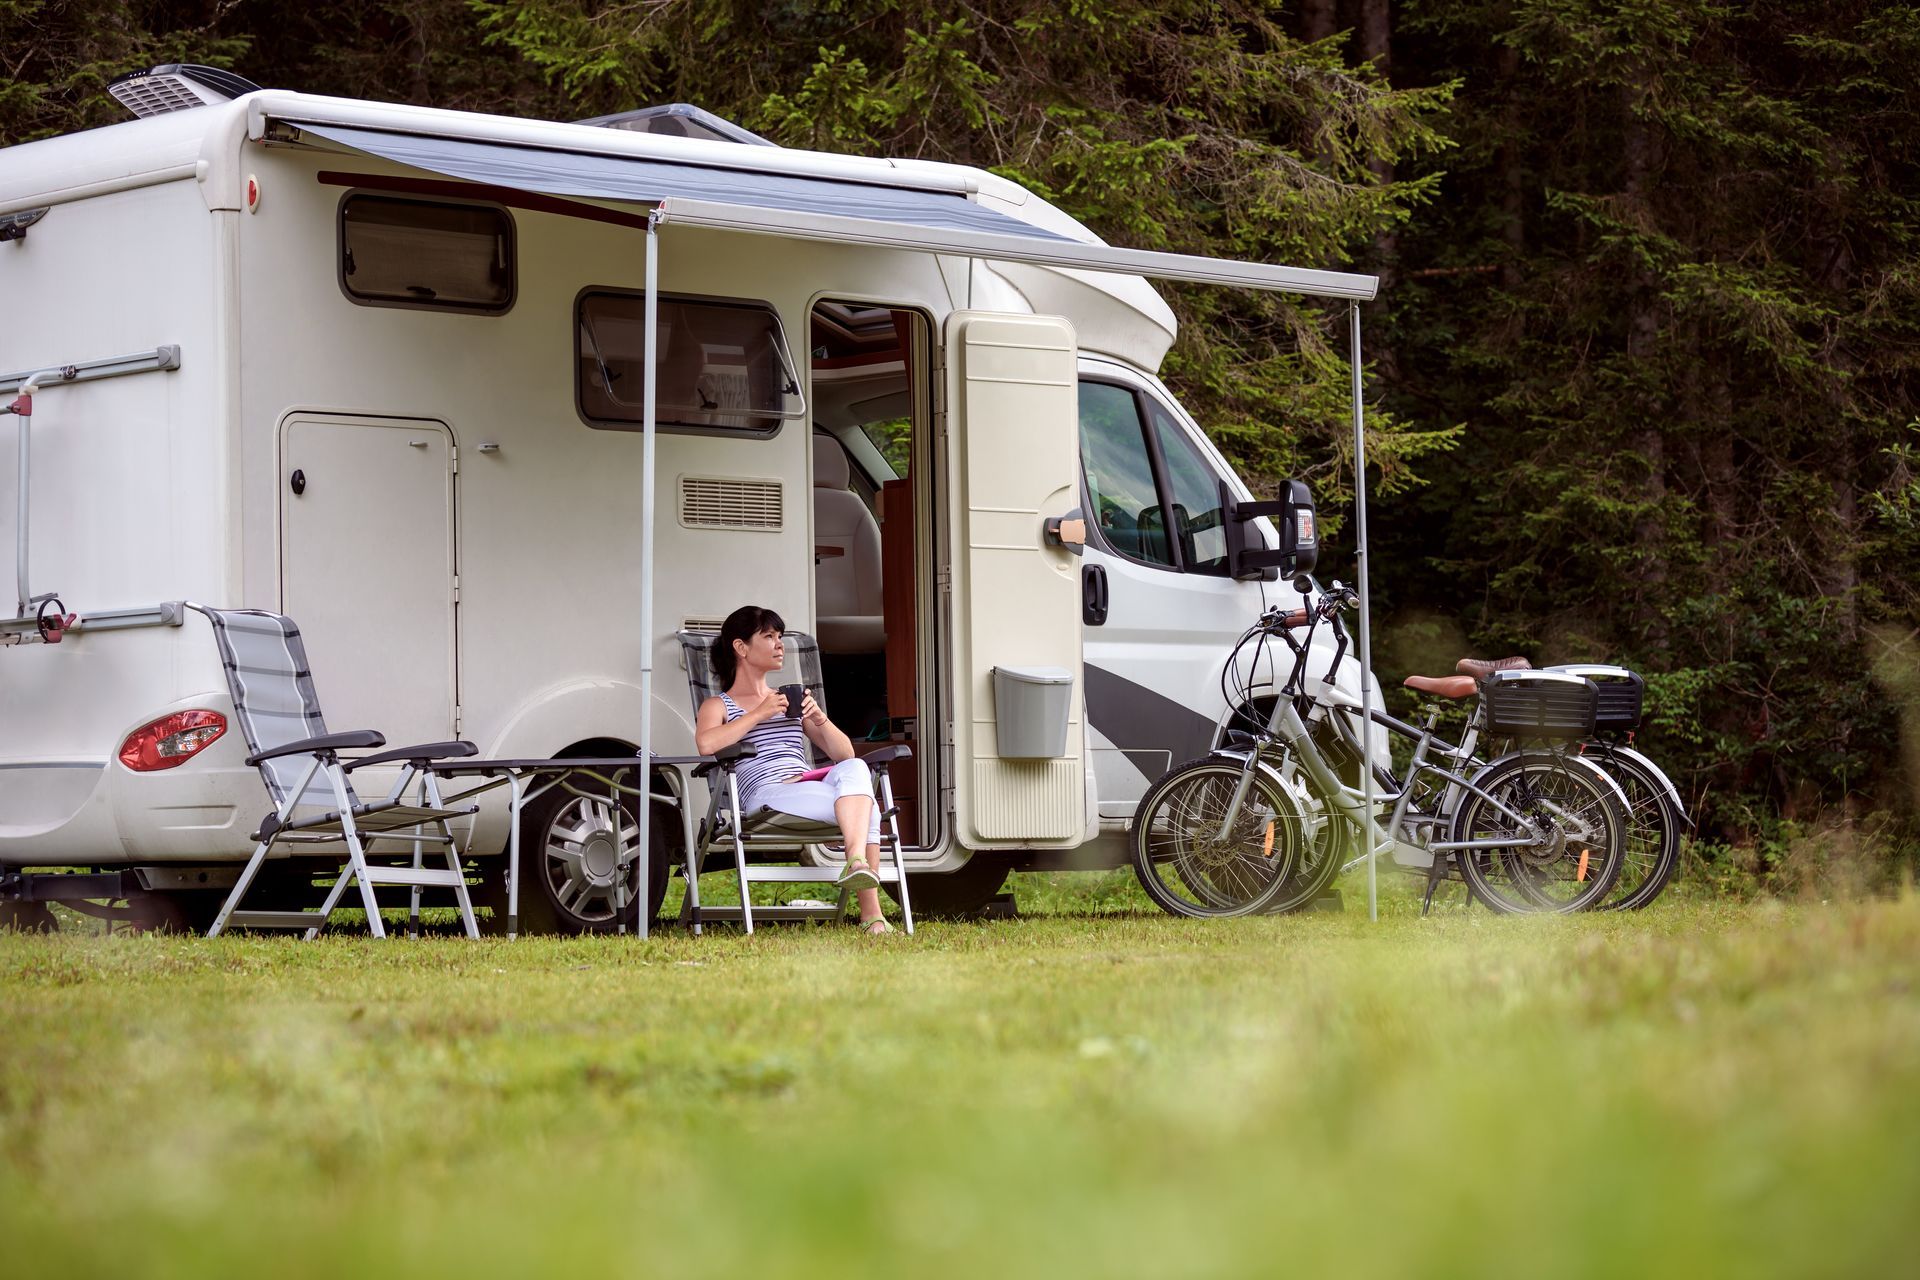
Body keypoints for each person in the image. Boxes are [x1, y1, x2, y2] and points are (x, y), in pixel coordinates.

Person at [693, 605, 895, 935]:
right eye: (769, 636)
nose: (779, 644)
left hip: (811, 784)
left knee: (856, 768)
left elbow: (843, 754)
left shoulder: (789, 701)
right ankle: (871, 916)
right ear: (741, 647)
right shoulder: (718, 705)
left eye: (780, 637)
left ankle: (856, 860)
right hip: (769, 795)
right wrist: (758, 713)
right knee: (868, 809)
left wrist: (819, 718)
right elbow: (707, 744)